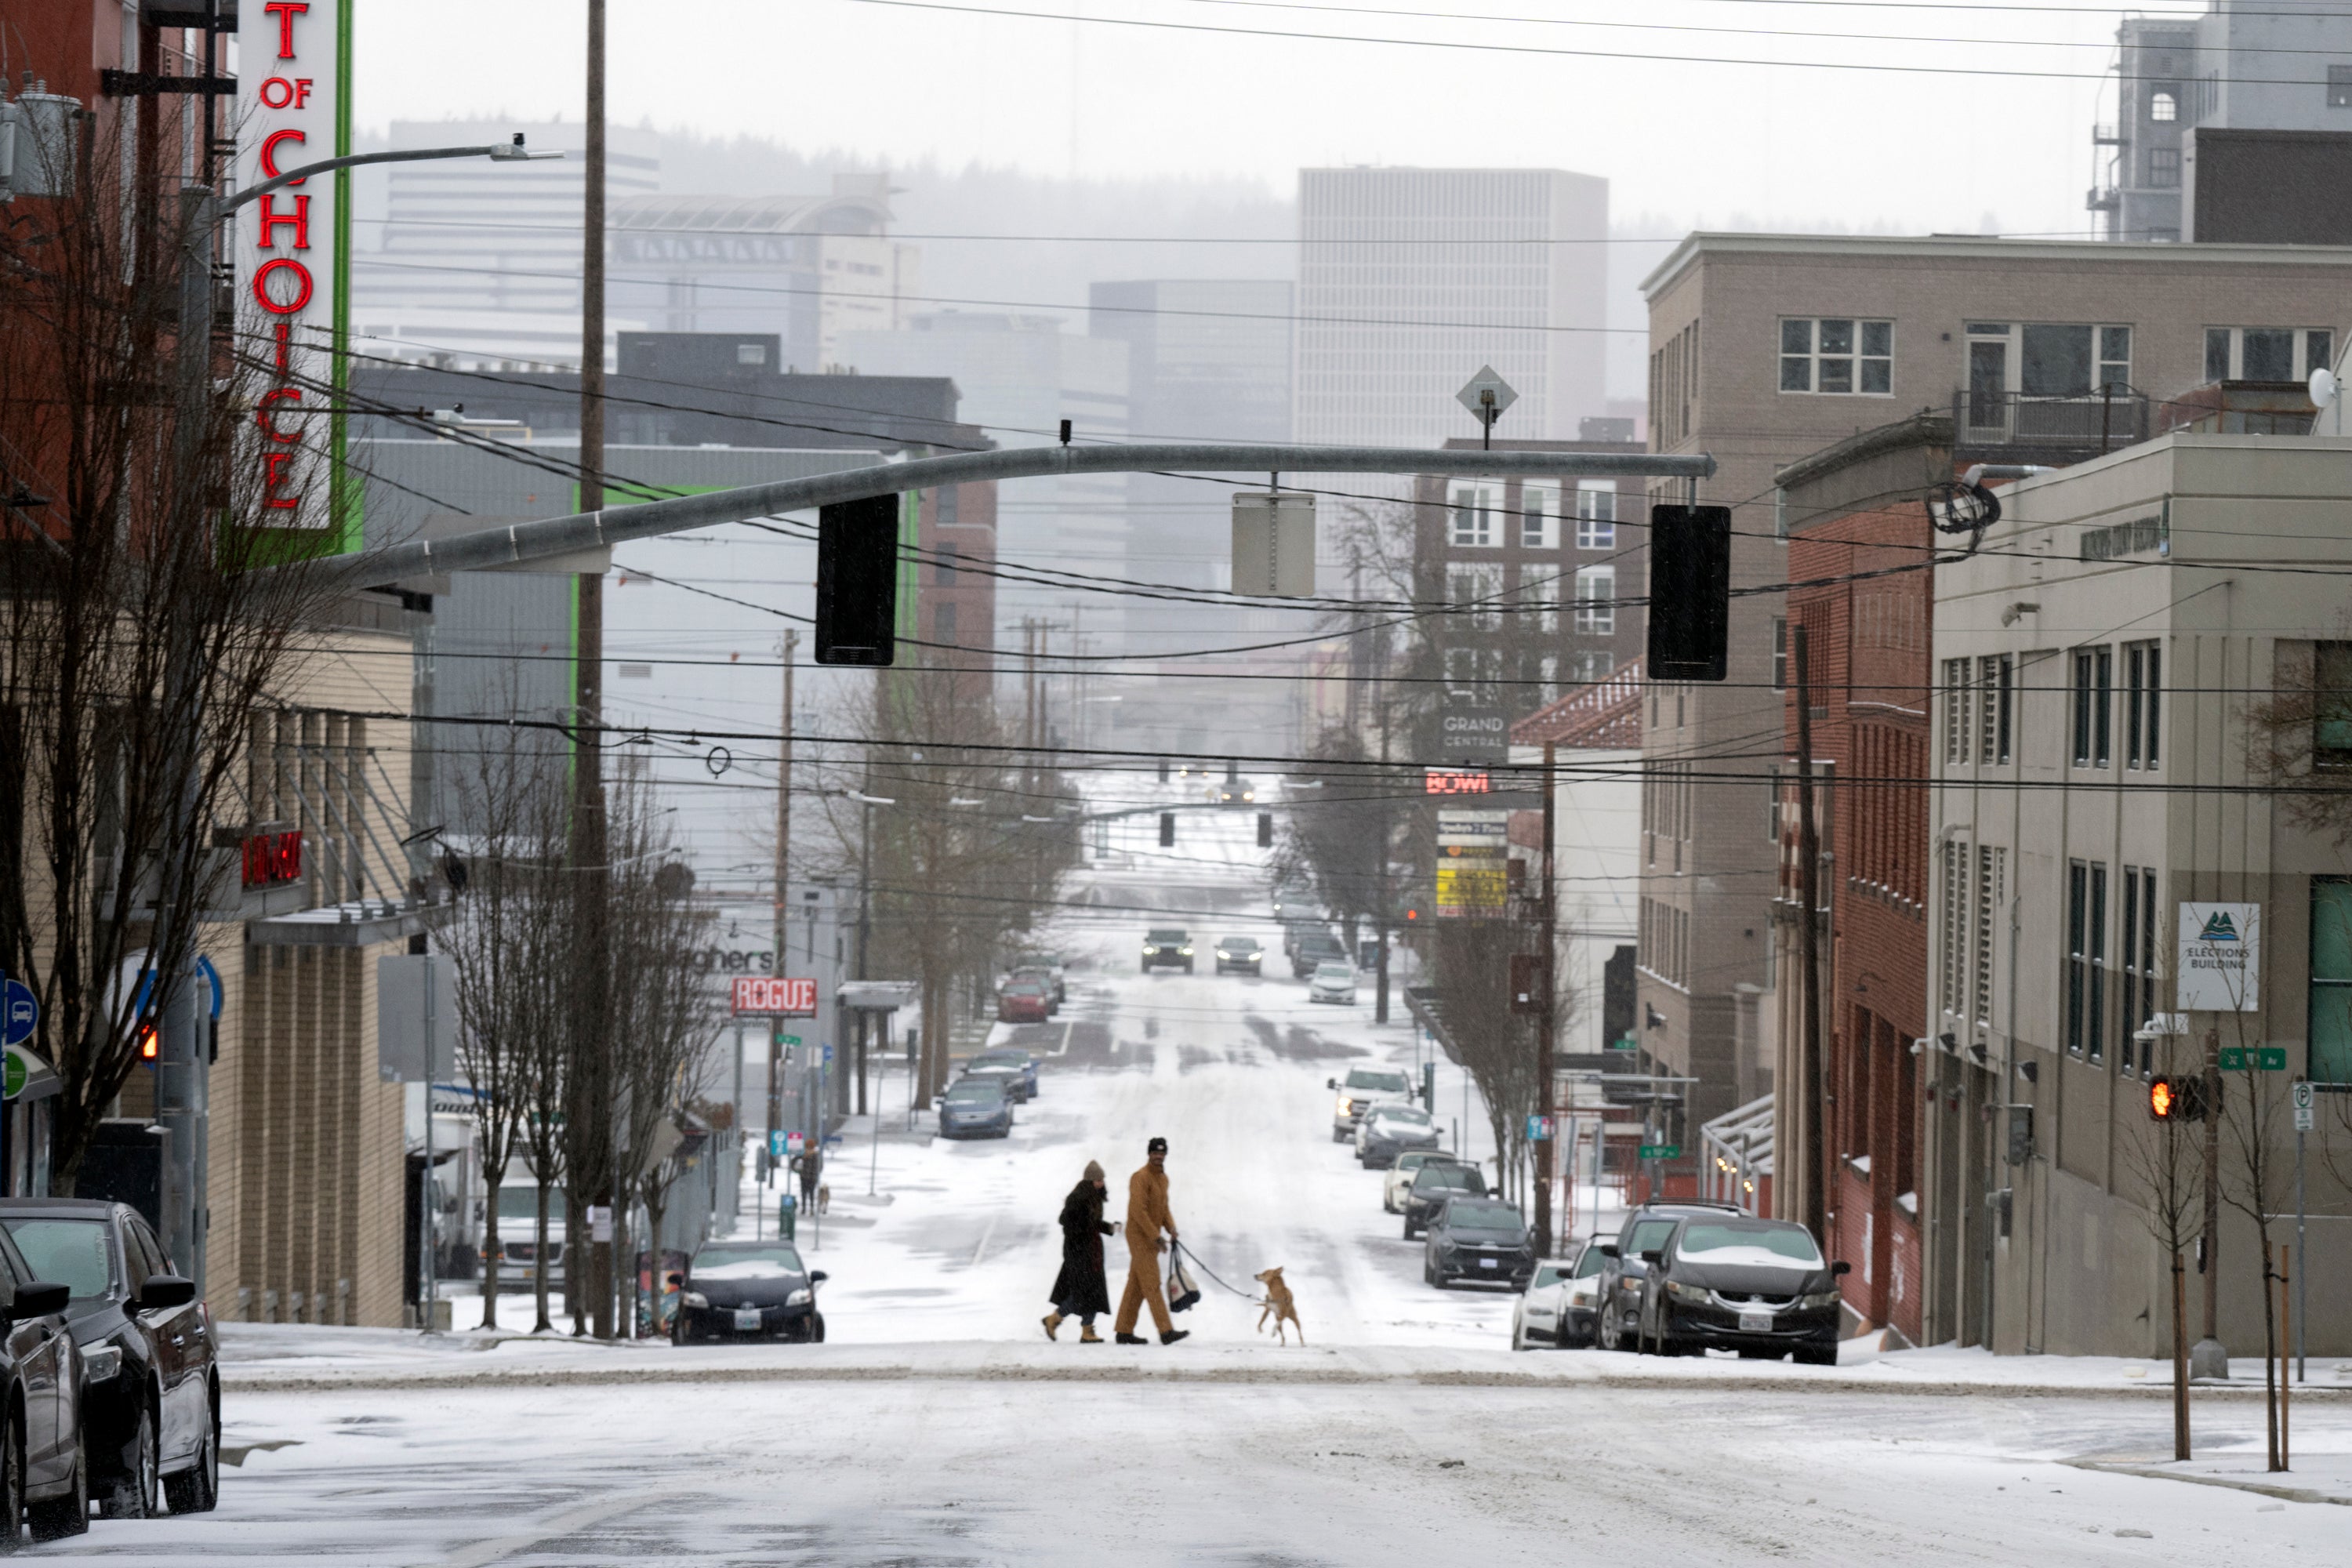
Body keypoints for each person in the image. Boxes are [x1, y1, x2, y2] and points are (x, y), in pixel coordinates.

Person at [1113, 1136, 1189, 1345]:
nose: (1158, 1157)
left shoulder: (1163, 1179)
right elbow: (1138, 1211)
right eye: (1155, 1153)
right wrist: (1156, 1237)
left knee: (1136, 1285)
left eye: (1161, 1153)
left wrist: (1171, 1228)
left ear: (1165, 1155)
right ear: (1149, 1154)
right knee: (1152, 1284)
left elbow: (1163, 1209)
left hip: (1152, 1236)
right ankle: (1166, 1331)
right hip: (1139, 1237)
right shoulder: (1140, 1177)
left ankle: (1123, 1331)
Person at [1044, 1160, 1114, 1343]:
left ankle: (1087, 1331)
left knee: (1093, 1293)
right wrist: (1085, 1234)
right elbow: (1067, 1222)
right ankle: (1054, 1319)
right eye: (1098, 1180)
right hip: (1080, 1254)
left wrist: (1110, 1229)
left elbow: (1092, 1224)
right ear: (1089, 1180)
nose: (1101, 1183)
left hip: (1093, 1252)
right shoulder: (1078, 1198)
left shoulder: (1095, 1198)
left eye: (1102, 1180)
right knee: (1081, 1295)